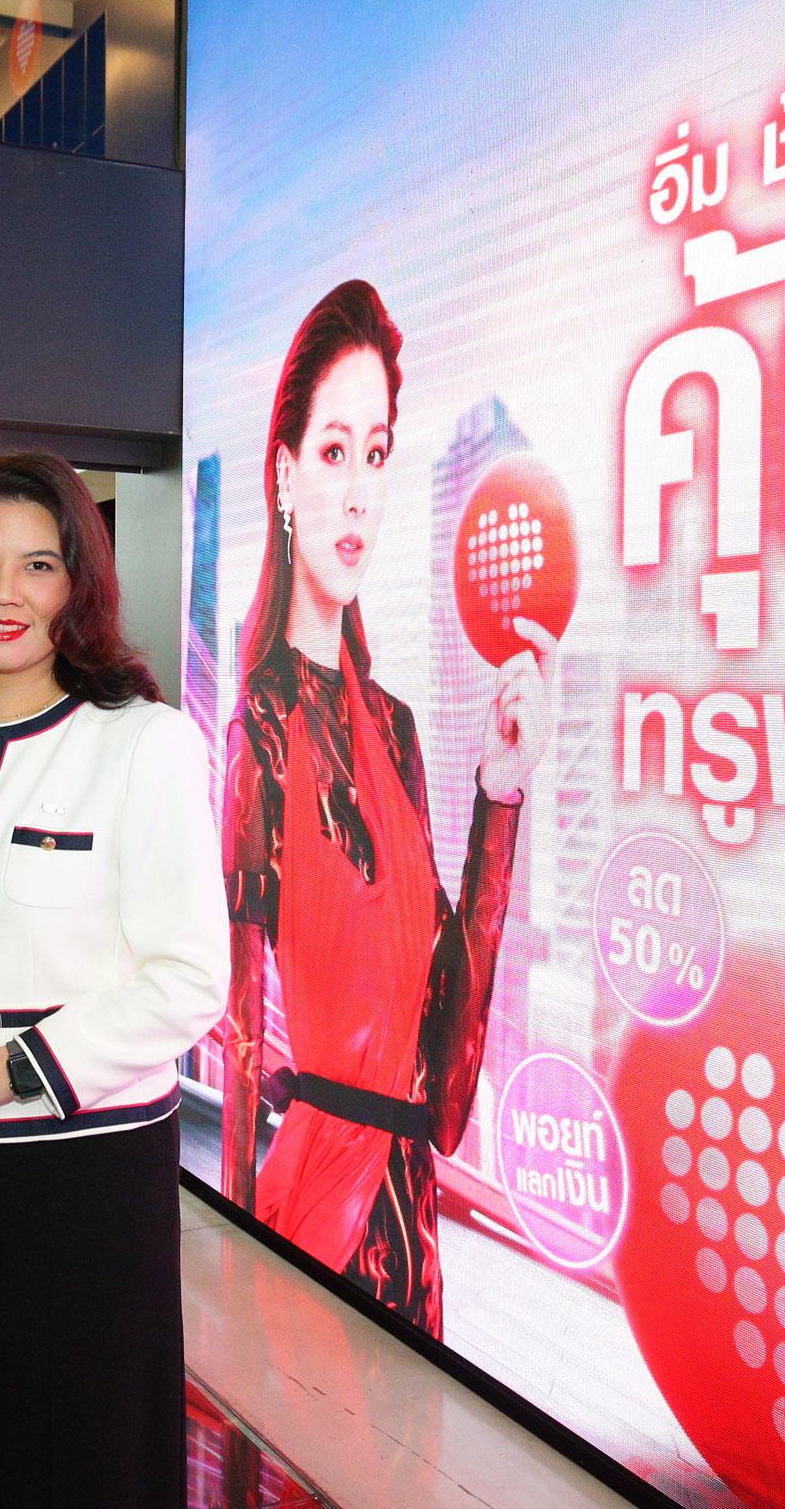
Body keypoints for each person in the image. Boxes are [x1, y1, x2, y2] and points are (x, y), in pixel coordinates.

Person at [0, 452, 228, 1509]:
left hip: (79, 1184)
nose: (5, 591)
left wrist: (12, 1069)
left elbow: (190, 980)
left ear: (80, 585)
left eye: (39, 564)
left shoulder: (142, 743)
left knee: (78, 1465)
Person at [219, 281, 551, 1337]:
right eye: (333, 452)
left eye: (377, 454)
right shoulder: (260, 731)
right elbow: (239, 1046)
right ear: (285, 474)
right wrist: (235, 1282)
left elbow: (447, 1088)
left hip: (415, 1256)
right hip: (312, 1233)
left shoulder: (397, 731)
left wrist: (500, 798)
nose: (359, 492)